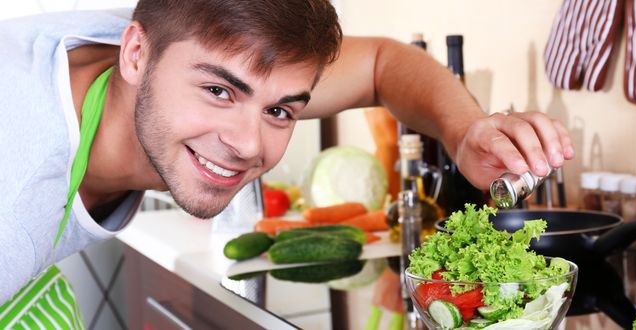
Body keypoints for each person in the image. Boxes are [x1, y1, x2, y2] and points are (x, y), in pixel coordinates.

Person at [0, 0, 573, 326]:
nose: (249, 143)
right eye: (219, 92)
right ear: (135, 53)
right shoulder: (14, 186)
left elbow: (381, 62)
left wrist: (464, 129)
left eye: (279, 109)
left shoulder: (183, 43)